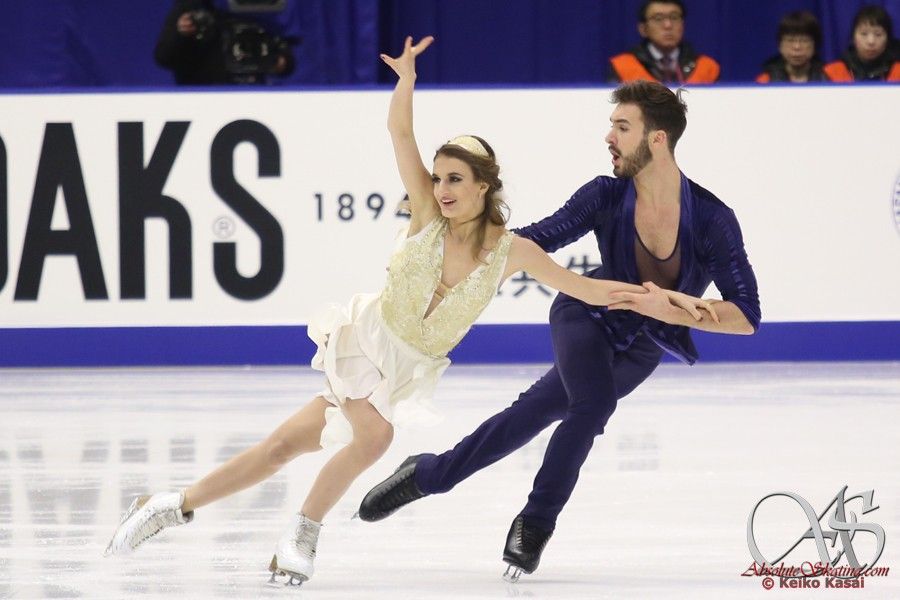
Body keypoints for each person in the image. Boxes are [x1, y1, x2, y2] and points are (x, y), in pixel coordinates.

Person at [103, 37, 713, 587]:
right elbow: (401, 138)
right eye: (439, 177)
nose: (443, 188)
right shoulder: (424, 213)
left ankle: (168, 505)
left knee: (280, 449)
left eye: (455, 179)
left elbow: (588, 290)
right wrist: (406, 84)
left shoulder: (513, 252)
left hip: (403, 367)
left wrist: (660, 300)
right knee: (375, 437)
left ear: (483, 187)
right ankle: (301, 539)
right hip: (366, 341)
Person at [358, 79, 761, 582]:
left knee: (532, 413)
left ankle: (429, 474)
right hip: (585, 316)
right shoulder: (605, 195)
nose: (608, 137)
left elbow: (746, 316)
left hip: (643, 348)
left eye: (621, 127)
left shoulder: (713, 220)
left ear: (657, 139)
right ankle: (536, 523)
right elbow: (539, 237)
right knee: (591, 406)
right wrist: (461, 239)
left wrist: (676, 309)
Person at [154, 0, 294, 85]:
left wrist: (276, 62)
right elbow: (164, 57)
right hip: (204, 95)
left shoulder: (262, 6)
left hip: (253, 93)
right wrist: (181, 33)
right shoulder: (193, 7)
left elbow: (286, 61)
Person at [608, 0, 720, 84]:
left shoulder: (707, 67)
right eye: (658, 18)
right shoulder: (622, 66)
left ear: (683, 25)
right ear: (643, 29)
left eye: (674, 17)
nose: (668, 25)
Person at [824, 5, 900, 82]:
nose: (871, 41)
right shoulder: (833, 72)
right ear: (853, 38)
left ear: (888, 39)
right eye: (864, 34)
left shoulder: (898, 71)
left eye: (878, 34)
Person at [756, 11, 830, 83]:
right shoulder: (766, 81)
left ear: (815, 45)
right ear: (780, 46)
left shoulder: (828, 78)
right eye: (790, 40)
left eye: (804, 40)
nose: (797, 47)